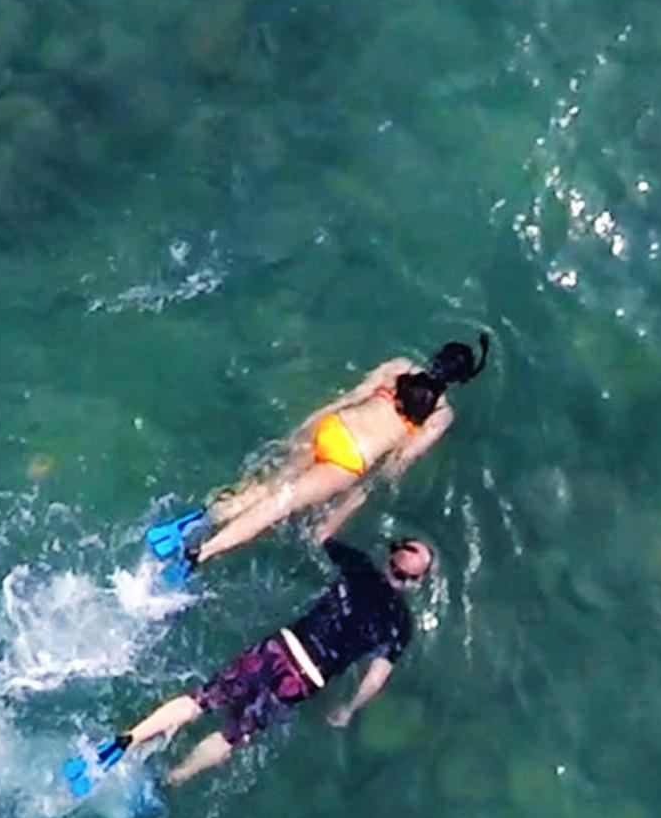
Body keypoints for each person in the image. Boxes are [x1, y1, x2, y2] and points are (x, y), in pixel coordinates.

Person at [101, 535, 432, 788]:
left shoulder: (359, 566)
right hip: (304, 680)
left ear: (389, 558)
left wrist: (351, 499)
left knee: (202, 699)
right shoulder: (401, 624)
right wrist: (347, 709)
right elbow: (375, 679)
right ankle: (174, 779)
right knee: (234, 734)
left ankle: (128, 738)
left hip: (281, 647)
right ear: (416, 582)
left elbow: (320, 534)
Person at [145, 335, 488, 570]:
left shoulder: (399, 366)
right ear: (459, 380)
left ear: (436, 357)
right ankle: (201, 553)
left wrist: (303, 431)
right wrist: (354, 498)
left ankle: (201, 520)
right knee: (277, 504)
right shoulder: (441, 414)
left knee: (265, 487)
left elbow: (348, 398)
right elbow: (397, 462)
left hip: (332, 427)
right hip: (349, 460)